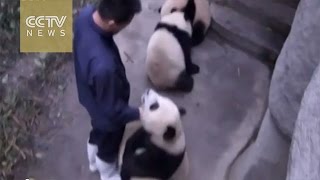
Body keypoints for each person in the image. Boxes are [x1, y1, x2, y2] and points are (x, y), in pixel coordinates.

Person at [73, 0, 142, 179]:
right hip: (108, 113)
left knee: (97, 131)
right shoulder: (105, 67)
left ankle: (92, 162)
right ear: (112, 23)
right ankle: (108, 173)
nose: (127, 26)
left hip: (90, 96)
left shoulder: (85, 15)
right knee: (109, 144)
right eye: (127, 22)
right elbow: (113, 112)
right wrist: (141, 114)